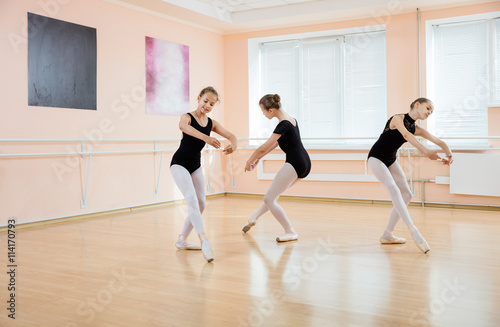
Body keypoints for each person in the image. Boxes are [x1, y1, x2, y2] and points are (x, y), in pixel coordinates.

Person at [367, 97, 453, 253]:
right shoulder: (397, 118)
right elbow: (406, 135)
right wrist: (426, 151)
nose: (429, 113)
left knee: (407, 194)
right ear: (417, 104)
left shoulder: (416, 128)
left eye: (431, 112)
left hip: (391, 160)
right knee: (393, 189)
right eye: (428, 108)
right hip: (376, 158)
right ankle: (413, 229)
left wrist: (449, 153)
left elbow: (437, 140)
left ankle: (387, 234)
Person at [170, 86, 237, 262]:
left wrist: (234, 144)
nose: (207, 105)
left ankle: (182, 240)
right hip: (179, 164)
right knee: (191, 199)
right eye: (205, 101)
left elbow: (232, 136)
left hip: (195, 166)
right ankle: (203, 239)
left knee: (201, 204)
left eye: (211, 104)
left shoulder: (211, 123)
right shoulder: (187, 117)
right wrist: (206, 138)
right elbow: (183, 126)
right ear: (198, 98)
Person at [243, 94, 311, 242]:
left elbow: (263, 147)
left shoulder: (282, 125)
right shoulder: (291, 120)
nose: (263, 114)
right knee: (273, 197)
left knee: (269, 198)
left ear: (271, 110)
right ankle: (254, 217)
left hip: (295, 162)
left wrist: (249, 161)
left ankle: (290, 231)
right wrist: (258, 159)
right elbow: (274, 144)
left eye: (263, 111)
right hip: (304, 162)